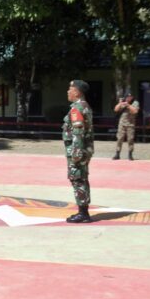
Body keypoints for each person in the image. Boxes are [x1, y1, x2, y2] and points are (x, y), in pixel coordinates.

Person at [62, 80, 94, 223]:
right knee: (82, 178)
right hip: (84, 148)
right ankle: (83, 211)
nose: (68, 91)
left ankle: (83, 213)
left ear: (77, 92)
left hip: (78, 149)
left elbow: (78, 132)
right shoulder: (85, 106)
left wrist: (76, 152)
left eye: (70, 89)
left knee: (78, 179)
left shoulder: (77, 108)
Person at [112, 92, 140, 161]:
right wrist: (120, 103)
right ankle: (117, 154)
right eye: (127, 97)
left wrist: (128, 105)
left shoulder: (135, 103)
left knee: (130, 139)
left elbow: (135, 111)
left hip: (130, 124)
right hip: (122, 123)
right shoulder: (123, 102)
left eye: (130, 97)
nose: (129, 98)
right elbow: (115, 109)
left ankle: (130, 154)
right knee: (119, 138)